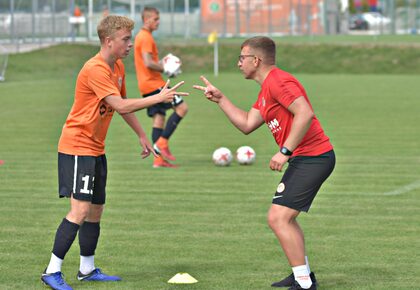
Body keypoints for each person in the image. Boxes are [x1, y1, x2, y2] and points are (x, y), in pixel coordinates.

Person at [41, 15, 188, 290]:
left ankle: (86, 269)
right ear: (109, 41)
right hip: (77, 146)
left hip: (96, 148)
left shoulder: (117, 66)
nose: (129, 44)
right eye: (125, 39)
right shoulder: (95, 68)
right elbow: (120, 105)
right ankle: (51, 271)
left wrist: (142, 134)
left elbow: (121, 106)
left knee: (96, 210)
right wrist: (158, 98)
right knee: (80, 210)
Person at [193, 36, 335, 290]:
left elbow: (305, 112)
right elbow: (247, 123)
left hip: (314, 157)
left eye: (241, 58)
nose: (238, 63)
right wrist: (221, 99)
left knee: (278, 218)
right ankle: (302, 274)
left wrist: (284, 151)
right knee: (285, 218)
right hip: (306, 158)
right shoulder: (267, 88)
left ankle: (303, 282)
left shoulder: (279, 81)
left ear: (255, 60)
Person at [134, 6, 188, 168]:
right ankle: (161, 144)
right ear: (147, 19)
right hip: (154, 83)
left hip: (145, 84)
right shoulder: (145, 37)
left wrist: (165, 65)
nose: (158, 22)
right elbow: (148, 63)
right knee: (182, 108)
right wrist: (166, 68)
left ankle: (158, 160)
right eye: (156, 19)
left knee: (159, 118)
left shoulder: (142, 36)